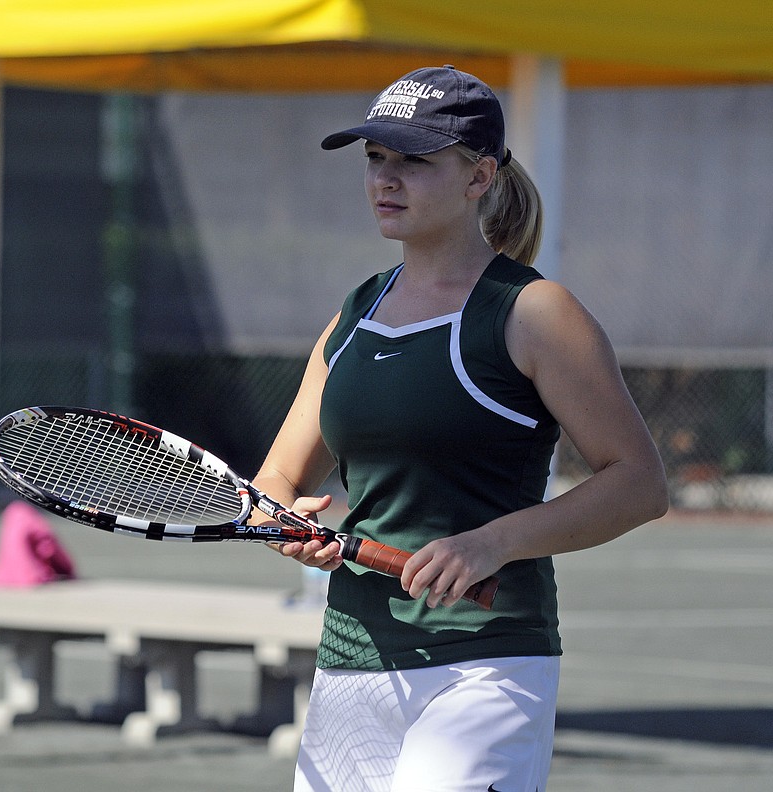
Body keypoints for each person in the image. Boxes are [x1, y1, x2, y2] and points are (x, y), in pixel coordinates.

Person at [250, 65, 668, 792]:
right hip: (353, 659)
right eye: (376, 158)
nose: (386, 178)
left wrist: (490, 543)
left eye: (413, 160)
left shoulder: (534, 313)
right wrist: (285, 522)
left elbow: (639, 482)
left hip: (484, 663)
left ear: (479, 177)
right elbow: (276, 481)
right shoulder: (355, 313)